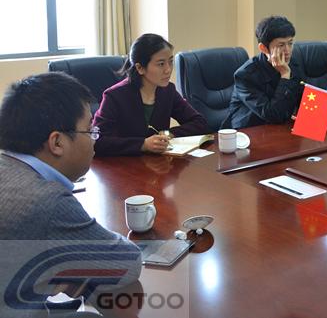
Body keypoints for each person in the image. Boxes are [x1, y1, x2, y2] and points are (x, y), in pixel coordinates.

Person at [0, 73, 142, 316]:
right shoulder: (48, 202)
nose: (95, 137)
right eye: (89, 129)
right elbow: (126, 263)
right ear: (57, 143)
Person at [94, 33, 209, 156]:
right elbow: (98, 141)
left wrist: (169, 134)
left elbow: (200, 123)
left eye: (170, 62)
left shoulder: (168, 91)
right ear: (140, 68)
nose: (168, 69)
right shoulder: (115, 96)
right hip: (123, 163)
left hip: (157, 163)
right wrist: (142, 145)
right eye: (161, 64)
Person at [224, 16, 303, 128]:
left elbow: (303, 100)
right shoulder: (245, 75)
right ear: (263, 48)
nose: (288, 51)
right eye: (281, 45)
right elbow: (272, 115)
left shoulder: (293, 64)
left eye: (290, 43)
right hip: (249, 131)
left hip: (280, 129)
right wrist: (285, 75)